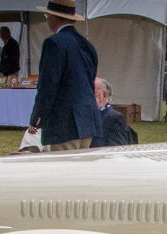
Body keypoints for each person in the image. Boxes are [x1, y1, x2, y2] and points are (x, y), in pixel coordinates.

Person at [27, 0, 102, 152]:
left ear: (53, 17)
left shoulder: (53, 43)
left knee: (64, 169)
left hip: (64, 122)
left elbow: (48, 86)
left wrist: (37, 117)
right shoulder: (87, 44)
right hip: (87, 119)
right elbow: (89, 80)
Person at [91, 77, 137, 147]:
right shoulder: (88, 115)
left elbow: (117, 149)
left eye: (92, 92)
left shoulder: (115, 118)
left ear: (104, 95)